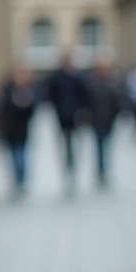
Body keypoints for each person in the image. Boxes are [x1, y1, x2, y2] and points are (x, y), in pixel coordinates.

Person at [45, 53, 90, 194]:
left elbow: (84, 95)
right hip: (62, 116)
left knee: (74, 144)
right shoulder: (56, 78)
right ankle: (68, 166)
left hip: (74, 116)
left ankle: (72, 166)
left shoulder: (77, 77)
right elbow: (50, 94)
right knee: (65, 144)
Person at [0, 67, 38, 195]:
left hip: (22, 128)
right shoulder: (9, 90)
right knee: (14, 155)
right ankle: (17, 179)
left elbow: (32, 110)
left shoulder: (28, 90)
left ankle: (21, 179)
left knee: (21, 154)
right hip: (10, 128)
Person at [87, 58, 124, 188]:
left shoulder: (112, 84)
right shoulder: (92, 84)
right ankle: (101, 171)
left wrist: (116, 115)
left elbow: (117, 103)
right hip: (97, 121)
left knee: (107, 147)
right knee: (100, 147)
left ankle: (104, 170)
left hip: (109, 121)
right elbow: (88, 104)